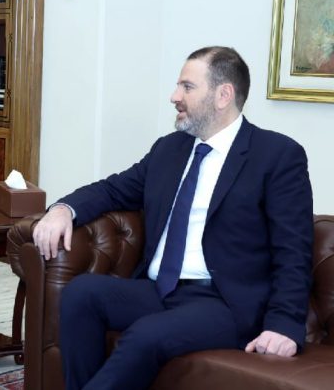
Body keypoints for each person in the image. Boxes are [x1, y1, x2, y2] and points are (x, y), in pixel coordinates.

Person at [33, 46, 312, 390]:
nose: (174, 96)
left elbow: (293, 249)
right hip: (160, 289)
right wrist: (63, 209)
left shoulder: (277, 155)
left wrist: (284, 325)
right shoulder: (170, 149)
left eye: (187, 87)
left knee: (144, 336)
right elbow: (113, 189)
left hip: (224, 302)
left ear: (223, 95)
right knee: (81, 294)